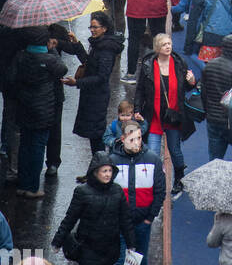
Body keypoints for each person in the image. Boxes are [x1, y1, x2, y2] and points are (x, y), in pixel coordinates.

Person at [134, 32, 196, 200]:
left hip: (173, 115)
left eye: (169, 43)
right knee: (153, 152)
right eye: (164, 45)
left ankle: (179, 179)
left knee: (175, 150)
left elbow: (187, 89)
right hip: (154, 115)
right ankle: (155, 183)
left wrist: (192, 82)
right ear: (157, 48)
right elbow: (140, 89)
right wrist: (137, 109)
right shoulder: (148, 64)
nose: (168, 47)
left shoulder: (178, 63)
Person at [52, 152, 135, 265]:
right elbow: (70, 218)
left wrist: (131, 243)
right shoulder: (82, 192)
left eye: (110, 171)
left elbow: (125, 220)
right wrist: (58, 241)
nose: (108, 174)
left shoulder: (117, 191)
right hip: (88, 248)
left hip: (109, 249)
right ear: (95, 172)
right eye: (104, 171)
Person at [9, 27, 66, 198]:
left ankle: (23, 184)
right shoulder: (49, 59)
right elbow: (62, 69)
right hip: (43, 110)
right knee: (38, 147)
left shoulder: (21, 57)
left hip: (24, 108)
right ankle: (33, 187)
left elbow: (12, 78)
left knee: (25, 145)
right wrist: (54, 49)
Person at [109, 119, 166, 265]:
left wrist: (149, 218)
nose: (137, 143)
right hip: (120, 222)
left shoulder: (153, 159)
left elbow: (160, 191)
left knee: (140, 261)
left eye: (139, 138)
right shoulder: (112, 161)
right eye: (132, 139)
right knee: (121, 262)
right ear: (123, 139)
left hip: (142, 222)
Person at [66, 12, 124, 159]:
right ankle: (96, 168)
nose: (92, 30)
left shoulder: (105, 49)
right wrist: (77, 44)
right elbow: (89, 63)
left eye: (95, 27)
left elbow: (102, 77)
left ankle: (100, 167)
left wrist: (77, 82)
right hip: (92, 95)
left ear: (104, 28)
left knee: (96, 136)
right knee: (94, 135)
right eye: (91, 26)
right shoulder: (98, 44)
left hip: (97, 97)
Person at [200, 33, 232, 161]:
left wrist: (208, 111)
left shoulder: (209, 65)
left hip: (212, 119)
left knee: (214, 159)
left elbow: (203, 92)